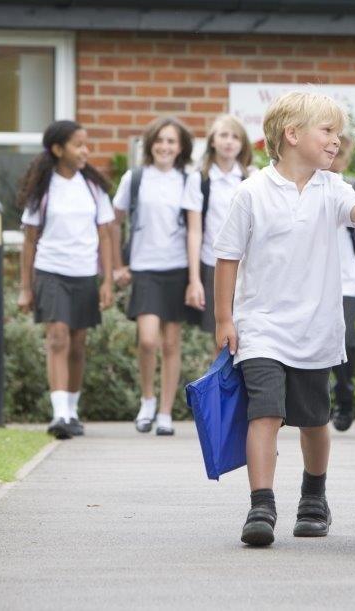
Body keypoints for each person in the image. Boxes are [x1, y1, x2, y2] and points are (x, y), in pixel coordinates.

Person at [214, 91, 355, 547]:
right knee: (265, 413)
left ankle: (313, 495)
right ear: (292, 135)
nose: (336, 141)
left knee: (313, 420)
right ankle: (261, 504)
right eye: (327, 132)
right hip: (262, 327)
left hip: (316, 329)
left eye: (338, 133)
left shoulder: (334, 189)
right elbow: (227, 258)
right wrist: (224, 320)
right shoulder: (252, 192)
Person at [17, 120, 116, 440]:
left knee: (77, 344)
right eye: (78, 145)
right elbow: (29, 240)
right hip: (50, 271)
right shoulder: (42, 189)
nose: (85, 151)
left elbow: (106, 236)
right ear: (58, 149)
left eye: (86, 145)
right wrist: (25, 287)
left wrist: (107, 281)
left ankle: (72, 410)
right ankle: (59, 413)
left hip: (85, 274)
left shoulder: (94, 188)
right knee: (57, 336)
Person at [111, 117, 201, 437]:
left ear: (181, 148)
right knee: (148, 339)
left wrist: (194, 279)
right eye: (160, 140)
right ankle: (147, 400)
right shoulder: (134, 178)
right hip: (144, 267)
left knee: (172, 341)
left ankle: (165, 412)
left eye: (172, 141)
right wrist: (117, 265)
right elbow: (113, 221)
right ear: (150, 144)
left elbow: (194, 230)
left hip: (176, 268)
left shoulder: (188, 180)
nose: (165, 146)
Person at [181, 115, 254, 358]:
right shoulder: (199, 180)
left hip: (248, 269)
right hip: (214, 266)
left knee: (247, 338)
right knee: (222, 340)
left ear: (243, 144)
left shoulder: (251, 179)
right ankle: (221, 395)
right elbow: (194, 231)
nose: (229, 142)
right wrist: (195, 280)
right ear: (212, 141)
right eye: (223, 135)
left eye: (235, 137)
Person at [325, 135, 355, 432]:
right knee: (314, 339)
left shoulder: (351, 186)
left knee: (346, 340)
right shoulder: (306, 183)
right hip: (314, 277)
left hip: (347, 277)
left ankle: (345, 393)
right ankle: (319, 399)